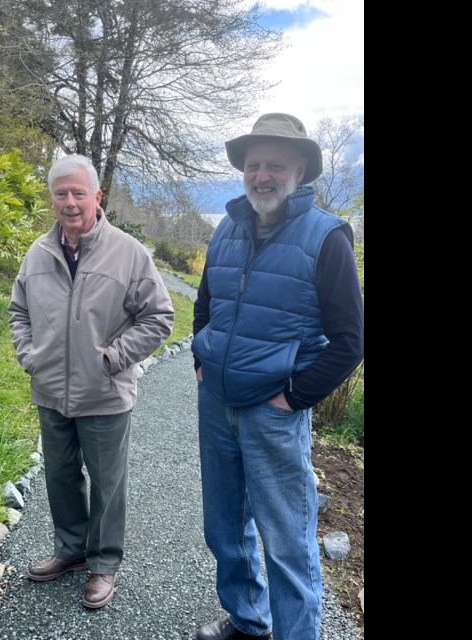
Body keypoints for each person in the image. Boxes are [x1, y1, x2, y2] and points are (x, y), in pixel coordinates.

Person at [191, 113, 364, 640]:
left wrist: (293, 397)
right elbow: (205, 306)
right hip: (216, 406)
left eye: (275, 165)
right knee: (225, 531)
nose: (261, 175)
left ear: (300, 170)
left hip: (274, 415)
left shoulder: (327, 237)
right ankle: (248, 623)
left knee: (288, 545)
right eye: (253, 164)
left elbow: (351, 340)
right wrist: (202, 362)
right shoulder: (227, 227)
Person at [8, 154, 174, 609]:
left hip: (105, 392)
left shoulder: (129, 252)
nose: (70, 202)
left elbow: (160, 316)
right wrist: (31, 356)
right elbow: (18, 312)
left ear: (97, 197)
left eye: (79, 192)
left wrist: (112, 359)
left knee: (106, 484)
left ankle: (103, 564)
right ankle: (71, 552)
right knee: (61, 477)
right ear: (52, 198)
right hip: (50, 390)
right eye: (61, 193)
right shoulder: (38, 252)